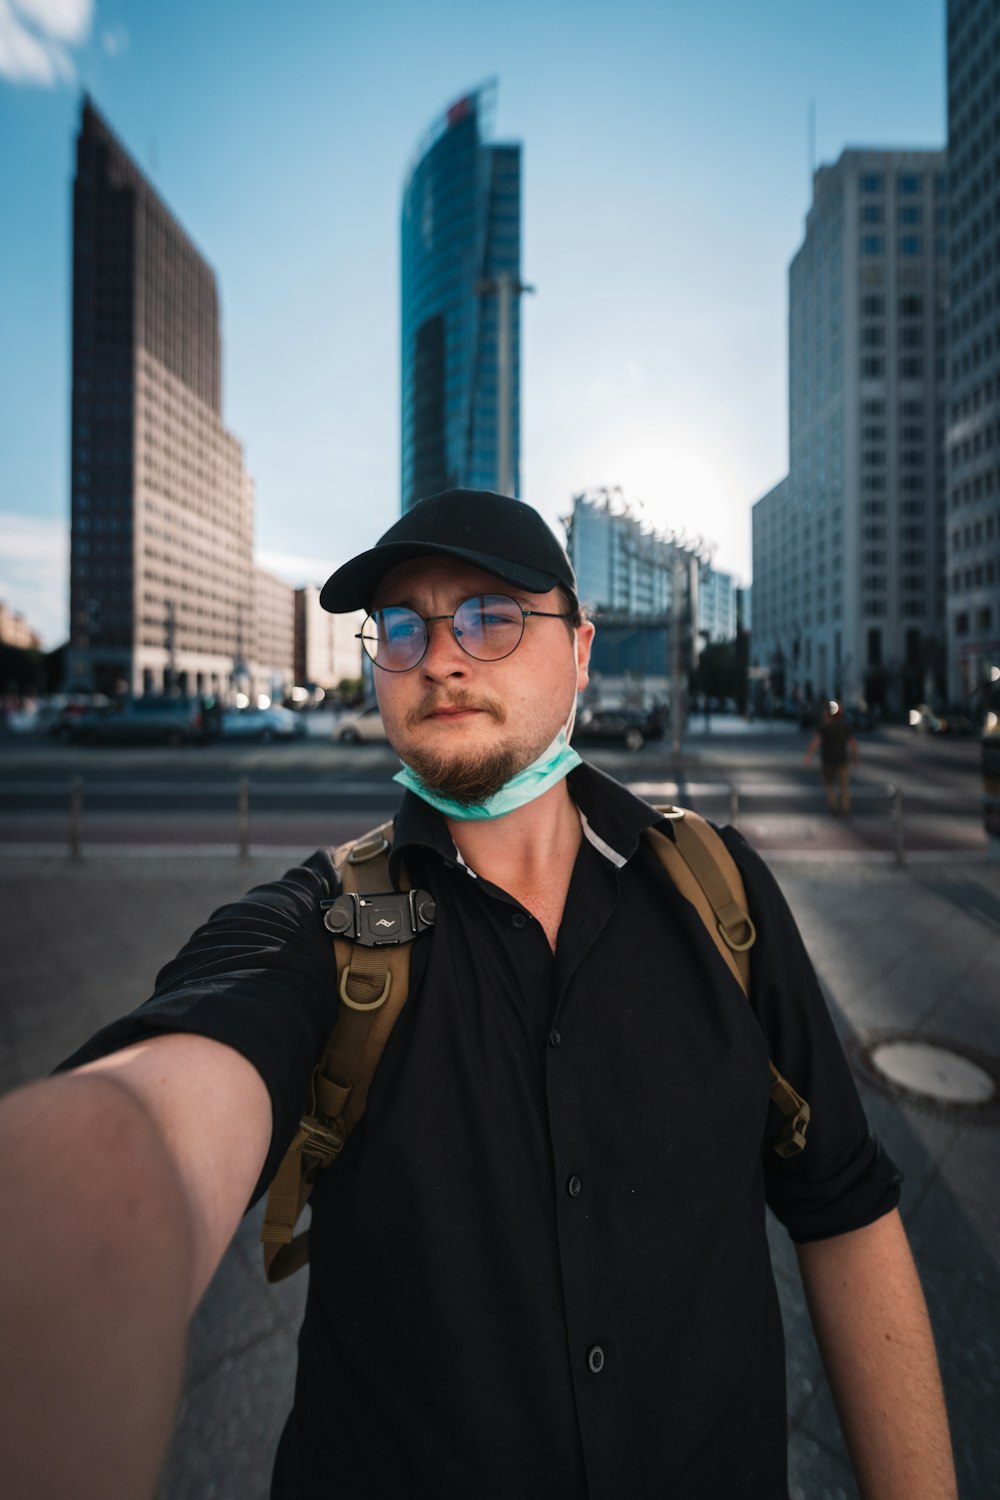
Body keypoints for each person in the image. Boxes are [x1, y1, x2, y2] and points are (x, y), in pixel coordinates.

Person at [0, 490, 956, 1500]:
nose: (440, 657)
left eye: (491, 615)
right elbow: (159, 1109)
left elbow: (843, 1209)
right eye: (402, 628)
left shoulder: (718, 891)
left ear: (580, 651)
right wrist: (87, 1209)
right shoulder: (319, 927)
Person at [804, 698, 860, 816]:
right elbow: (853, 744)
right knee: (844, 786)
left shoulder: (824, 727)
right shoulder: (844, 726)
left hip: (828, 761)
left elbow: (815, 743)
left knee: (828, 785)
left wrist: (808, 758)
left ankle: (834, 806)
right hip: (842, 760)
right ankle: (845, 808)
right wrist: (855, 758)